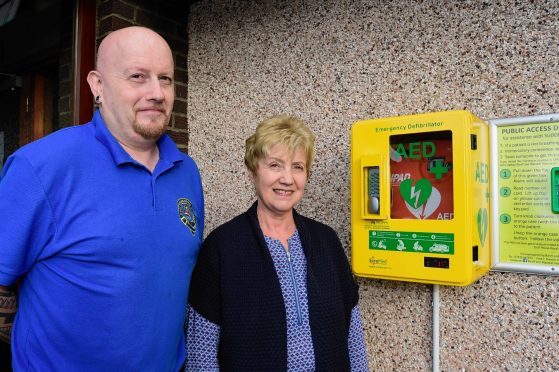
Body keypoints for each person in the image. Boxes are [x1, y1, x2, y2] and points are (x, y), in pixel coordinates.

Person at [0, 26, 204, 371]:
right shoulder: (41, 166)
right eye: (138, 76)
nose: (157, 92)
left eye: (165, 78)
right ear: (97, 86)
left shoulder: (187, 172)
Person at [185, 116, 368, 371]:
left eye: (297, 167)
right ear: (253, 171)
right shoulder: (222, 248)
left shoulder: (327, 241)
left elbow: (353, 335)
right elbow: (200, 352)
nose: (287, 179)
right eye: (274, 165)